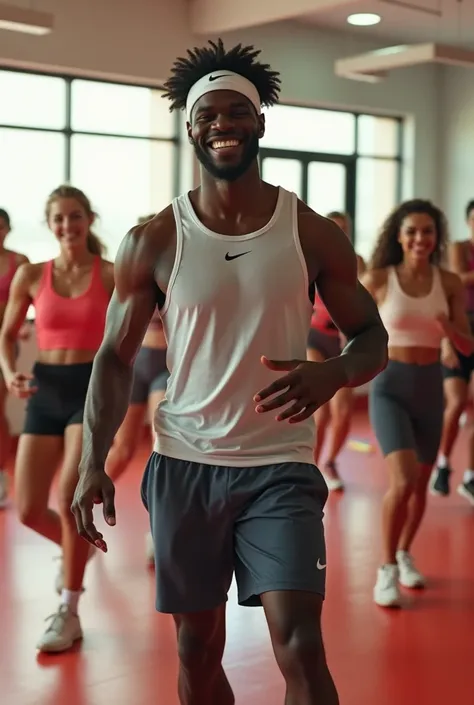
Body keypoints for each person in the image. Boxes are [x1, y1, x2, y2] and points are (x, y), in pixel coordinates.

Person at [71, 39, 387, 705]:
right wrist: (92, 459)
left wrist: (332, 373)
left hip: (281, 466)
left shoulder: (310, 231)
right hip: (186, 462)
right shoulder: (154, 238)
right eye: (208, 114)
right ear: (190, 127)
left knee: (299, 640)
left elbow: (371, 338)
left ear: (261, 123)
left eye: (237, 113)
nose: (223, 125)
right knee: (196, 645)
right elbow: (114, 356)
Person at [0, 185, 114, 652]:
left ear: (89, 219)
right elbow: (6, 337)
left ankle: (69, 608)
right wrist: (10, 373)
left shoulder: (110, 273)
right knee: (28, 509)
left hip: (90, 388)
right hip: (45, 387)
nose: (67, 226)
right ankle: (75, 550)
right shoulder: (31, 275)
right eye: (58, 219)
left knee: (69, 498)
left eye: (75, 216)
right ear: (50, 225)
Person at [362, 199, 474, 608]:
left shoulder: (448, 282)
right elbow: (354, 332)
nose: (420, 239)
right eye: (412, 231)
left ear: (436, 238)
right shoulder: (378, 278)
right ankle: (386, 567)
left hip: (431, 385)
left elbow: (466, 345)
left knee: (422, 483)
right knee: (404, 480)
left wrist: (447, 327)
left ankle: (406, 552)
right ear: (399, 236)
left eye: (427, 232)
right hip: (389, 387)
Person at [105, 213, 169, 566]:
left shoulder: (178, 273)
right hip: (135, 366)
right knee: (123, 448)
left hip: (166, 369)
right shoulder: (130, 275)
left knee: (161, 446)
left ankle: (157, 533)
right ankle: (77, 517)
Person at [307, 211, 366, 491]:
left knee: (343, 411)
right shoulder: (311, 258)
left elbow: (363, 299)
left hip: (344, 341)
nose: (340, 232)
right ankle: (311, 468)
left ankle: (329, 462)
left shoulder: (357, 262)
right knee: (322, 411)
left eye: (345, 228)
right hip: (314, 338)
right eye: (335, 228)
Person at [432, 199, 474, 504]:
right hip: (459, 331)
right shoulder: (460, 249)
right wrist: (446, 340)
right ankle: (444, 464)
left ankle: (471, 476)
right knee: (457, 402)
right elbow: (459, 278)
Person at [0, 208, 29, 508]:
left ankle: (0, 473)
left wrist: (18, 329)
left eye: (0, 227)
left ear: (8, 229)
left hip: (4, 342)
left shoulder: (18, 262)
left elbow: (32, 299)